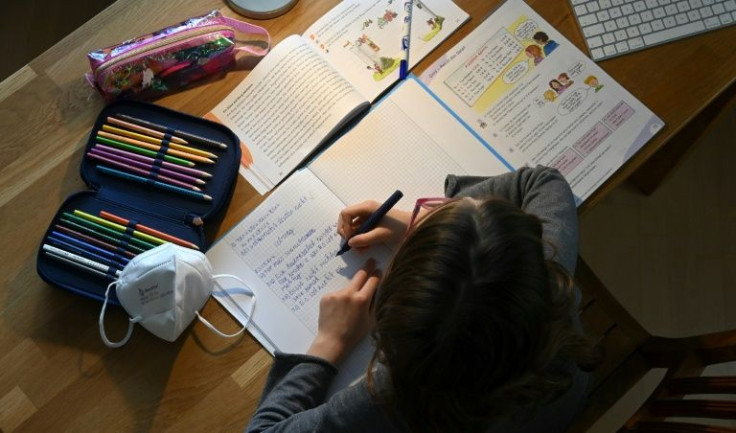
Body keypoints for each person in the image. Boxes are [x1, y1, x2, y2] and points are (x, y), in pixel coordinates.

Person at [246, 166, 598, 433]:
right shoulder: (548, 283)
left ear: (389, 320)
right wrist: (434, 228)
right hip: (562, 405)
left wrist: (329, 342)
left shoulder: (395, 395)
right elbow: (542, 181)